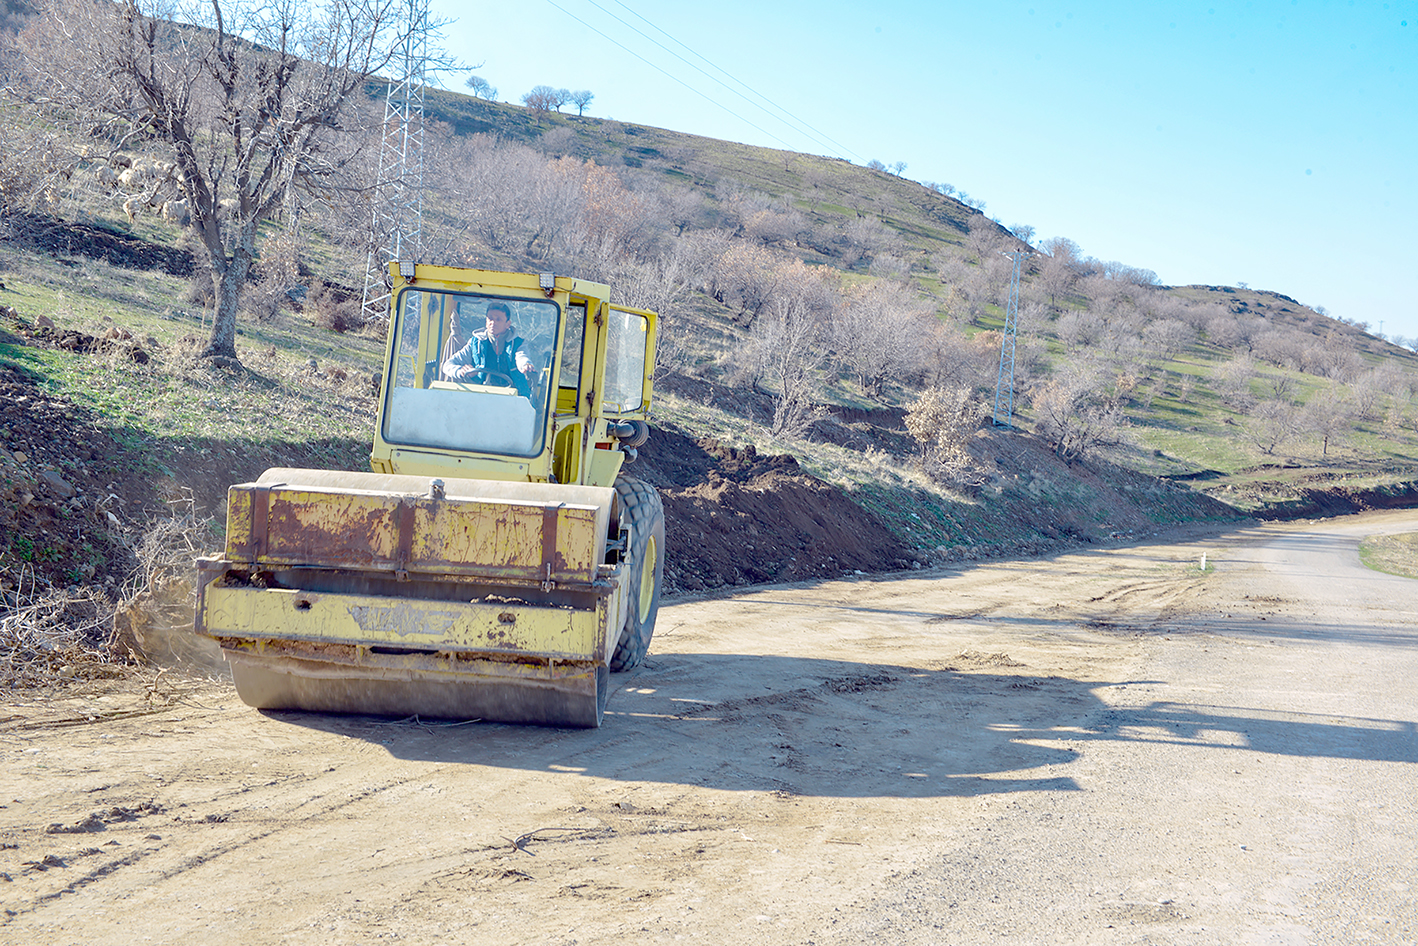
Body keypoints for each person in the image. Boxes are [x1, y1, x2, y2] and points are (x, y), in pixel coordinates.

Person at [441, 300, 535, 397]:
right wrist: (460, 371)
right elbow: (447, 365)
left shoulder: (518, 344)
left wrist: (525, 365)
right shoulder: (475, 343)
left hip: (512, 396)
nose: (493, 323)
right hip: (479, 395)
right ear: (486, 322)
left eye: (498, 319)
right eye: (490, 319)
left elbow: (522, 357)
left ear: (508, 324)